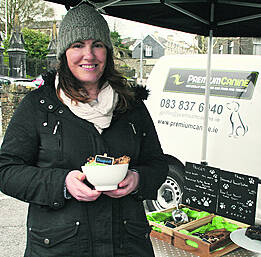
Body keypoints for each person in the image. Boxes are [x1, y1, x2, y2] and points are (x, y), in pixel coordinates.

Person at [0, 2, 168, 257]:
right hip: (59, 247)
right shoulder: (38, 106)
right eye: (78, 45)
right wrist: (62, 183)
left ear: (107, 52)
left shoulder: (131, 105)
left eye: (97, 45)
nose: (88, 55)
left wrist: (138, 179)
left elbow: (158, 163)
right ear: (64, 53)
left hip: (126, 245)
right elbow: (6, 170)